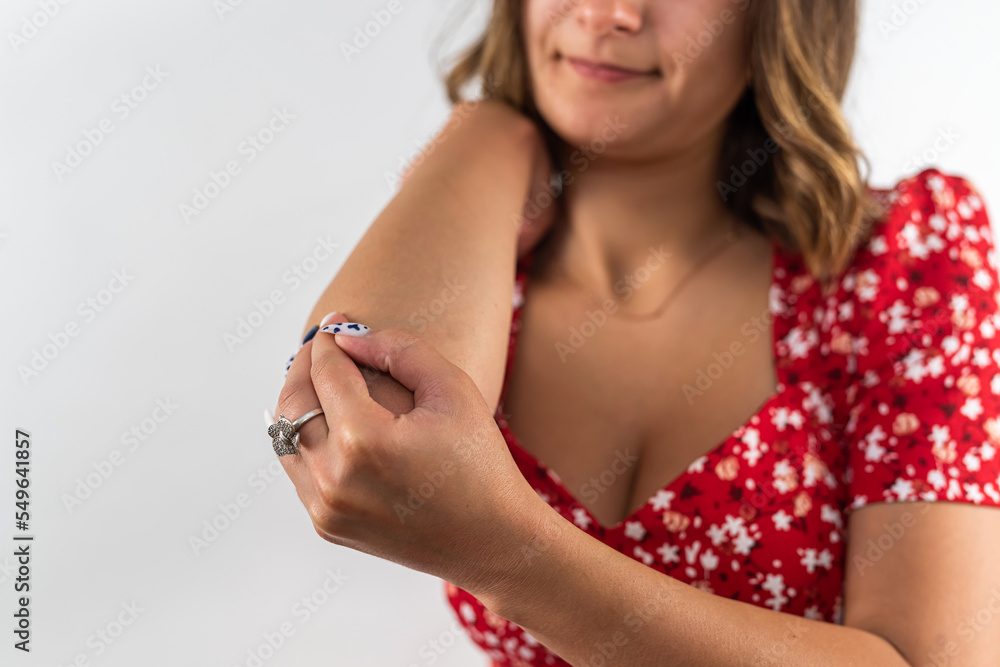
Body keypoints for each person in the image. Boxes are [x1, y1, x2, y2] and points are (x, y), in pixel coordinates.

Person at [271, 1, 1000, 664]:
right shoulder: (482, 260)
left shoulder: (903, 251)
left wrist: (507, 551)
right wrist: (488, 132)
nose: (604, 12)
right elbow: (356, 424)